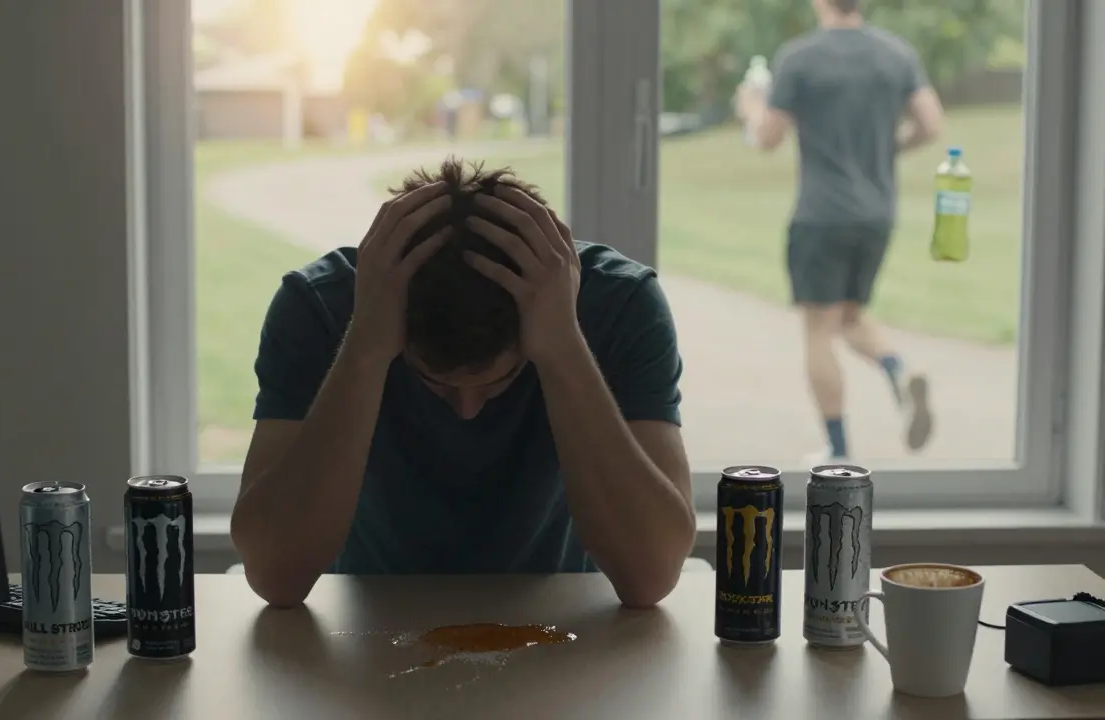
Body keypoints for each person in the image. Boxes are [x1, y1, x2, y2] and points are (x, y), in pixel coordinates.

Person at [230, 158, 696, 609]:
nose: (468, 410)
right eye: (438, 384)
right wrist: (366, 345)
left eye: (498, 382)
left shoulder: (620, 304)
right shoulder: (318, 308)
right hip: (372, 632)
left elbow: (650, 574)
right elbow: (276, 574)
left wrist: (563, 346)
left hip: (561, 629)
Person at [734, 0, 945, 462]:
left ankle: (837, 448)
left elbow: (767, 138)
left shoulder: (799, 58)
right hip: (877, 214)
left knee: (818, 329)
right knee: (849, 316)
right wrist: (890, 149)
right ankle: (899, 371)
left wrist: (751, 107)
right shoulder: (897, 54)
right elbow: (931, 124)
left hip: (821, 214)